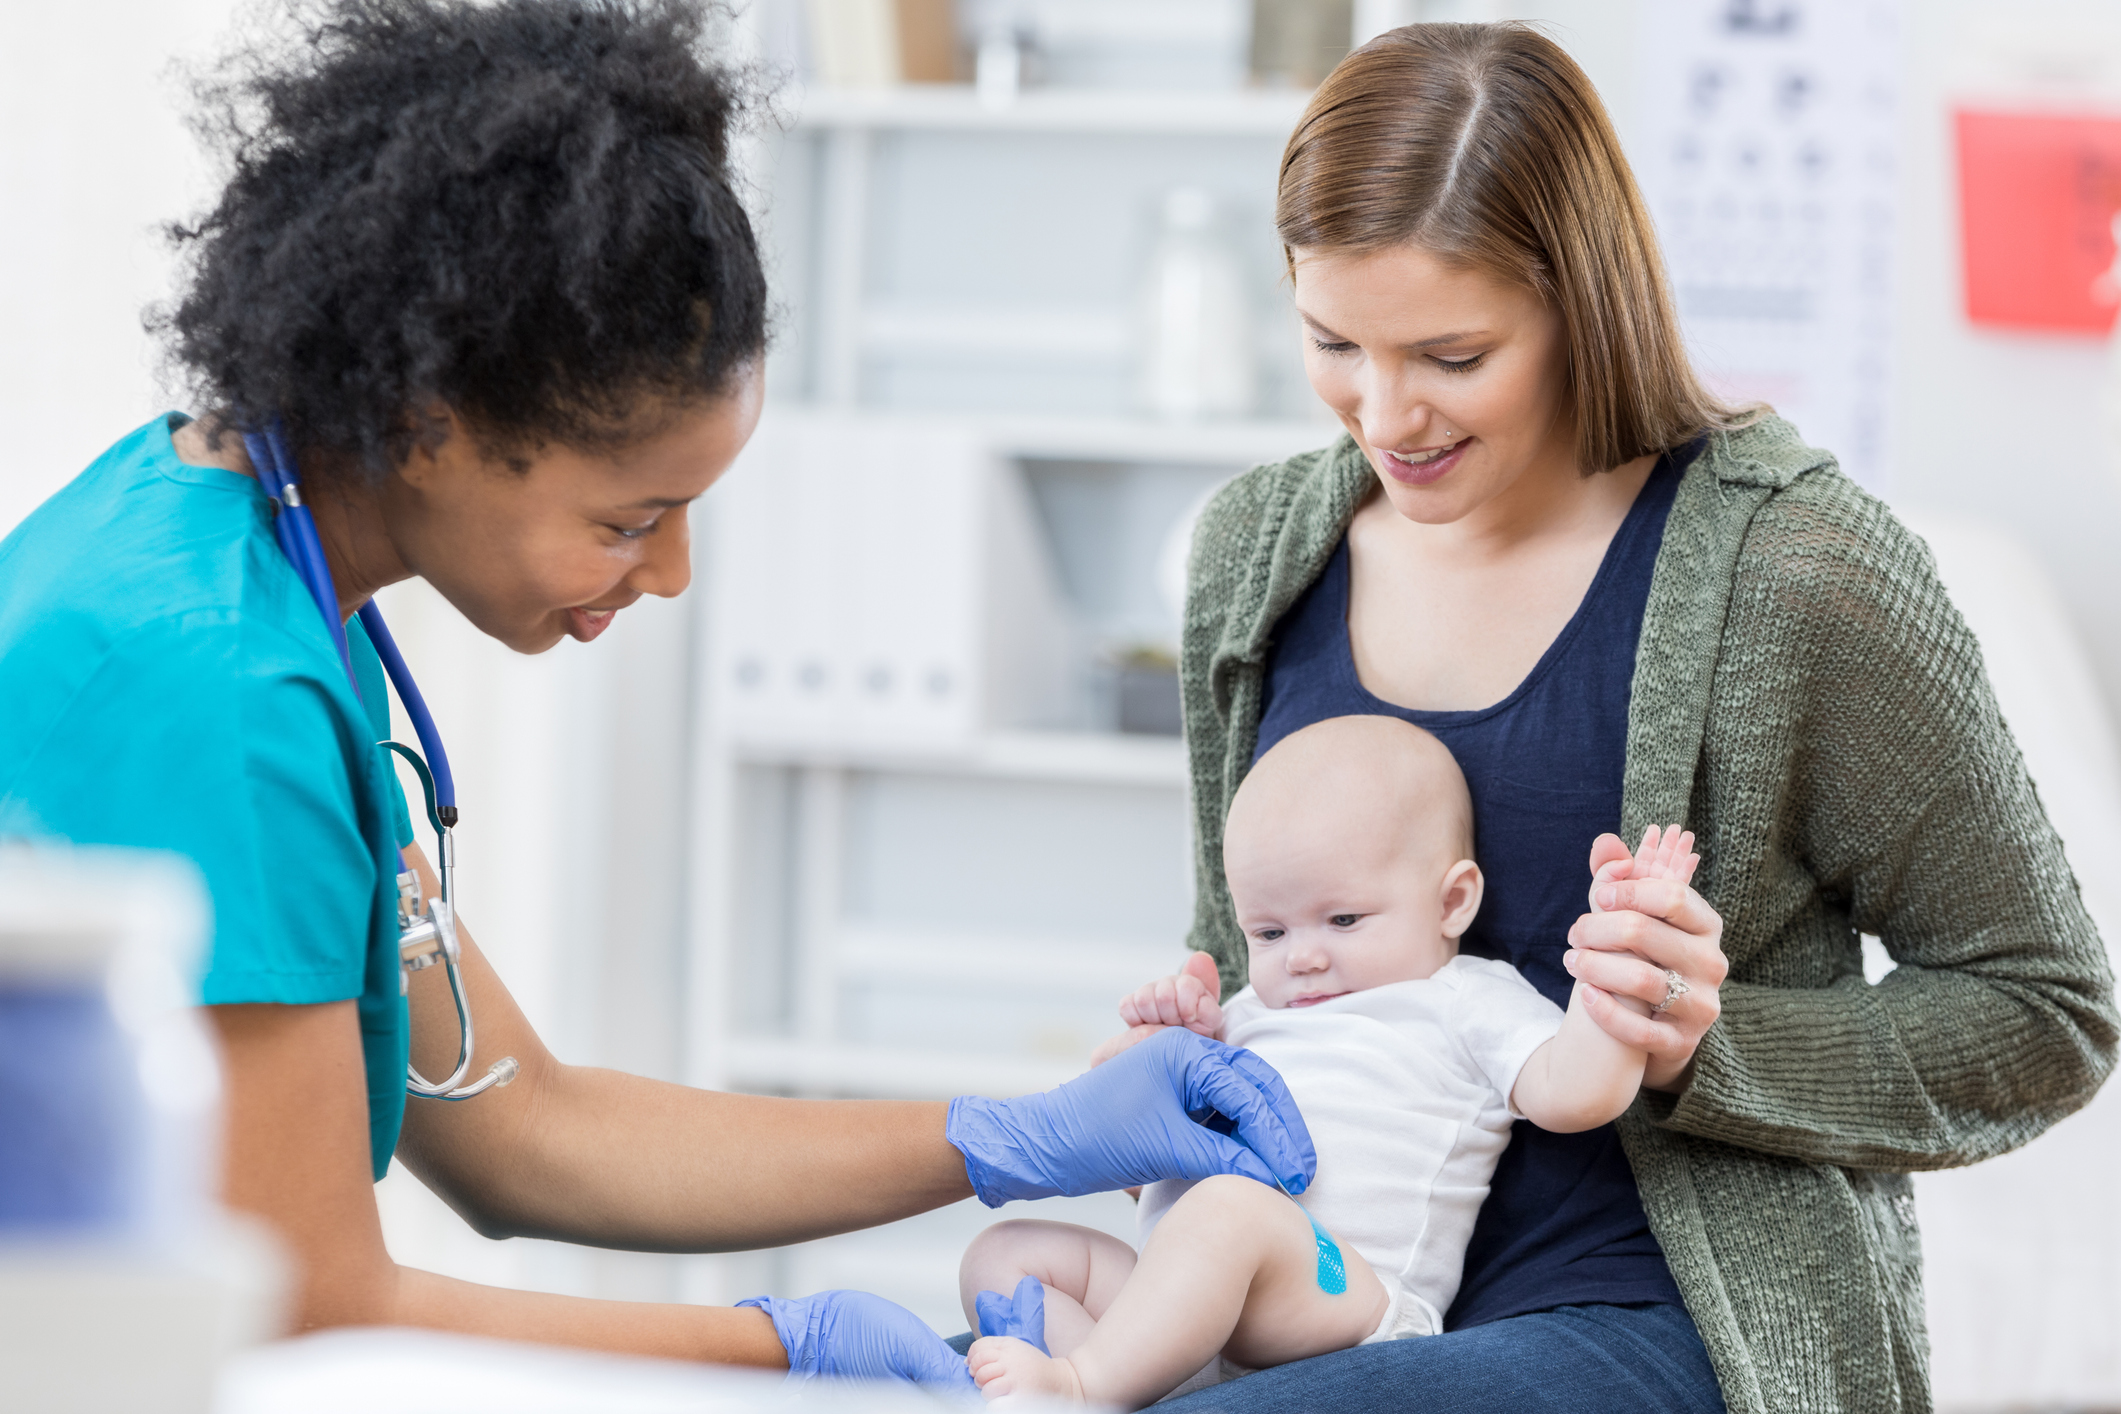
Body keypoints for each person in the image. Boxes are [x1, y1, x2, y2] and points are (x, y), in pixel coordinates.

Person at [0, 0, 1314, 1383]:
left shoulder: (215, 544)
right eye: (631, 518)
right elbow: (306, 1302)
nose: (672, 572)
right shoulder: (213, 683)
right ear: (425, 420)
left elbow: (525, 1128)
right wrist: (777, 1351)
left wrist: (1017, 1129)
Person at [1105, 20, 2114, 1414]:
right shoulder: (1255, 551)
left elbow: (2042, 1007)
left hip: (1667, 1313)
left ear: (1581, 301)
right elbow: (1260, 956)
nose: (1382, 413)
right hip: (1327, 1288)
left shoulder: (1795, 564)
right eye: (1332, 340)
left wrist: (1702, 1040)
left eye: (1450, 354)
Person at [958, 717, 1698, 1409]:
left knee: (1230, 1208)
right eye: (1270, 930)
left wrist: (1617, 970)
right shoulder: (1247, 1015)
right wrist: (1152, 1072)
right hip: (1178, 1310)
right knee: (1006, 1254)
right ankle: (1118, 1378)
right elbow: (1141, 1177)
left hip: (1341, 1299)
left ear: (1452, 902)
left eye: (1344, 919)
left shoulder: (1459, 999)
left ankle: (1084, 1384)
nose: (1304, 956)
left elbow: (1579, 1095)